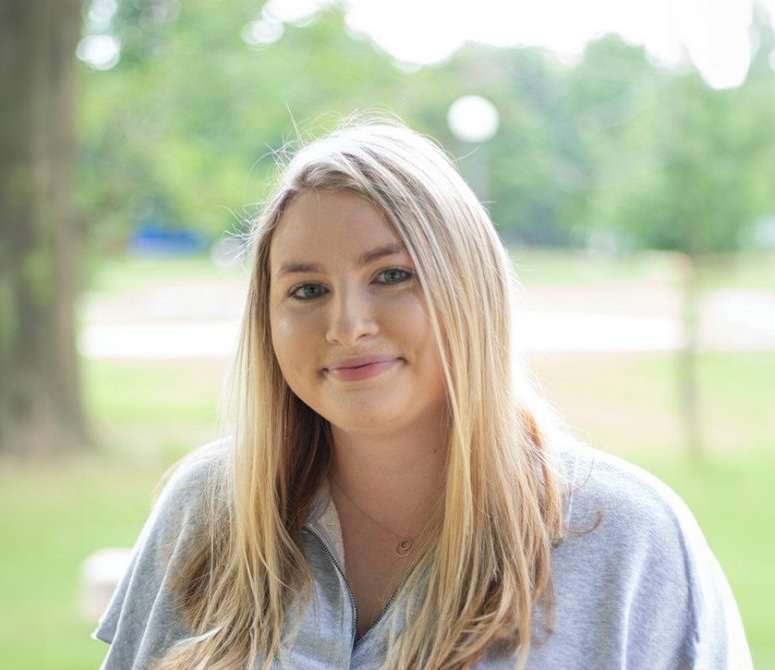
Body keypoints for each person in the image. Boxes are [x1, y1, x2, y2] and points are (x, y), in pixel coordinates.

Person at [94, 118, 753, 670]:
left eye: (391, 274)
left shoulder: (628, 539)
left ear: (472, 290)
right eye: (306, 289)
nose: (348, 325)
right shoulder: (210, 508)